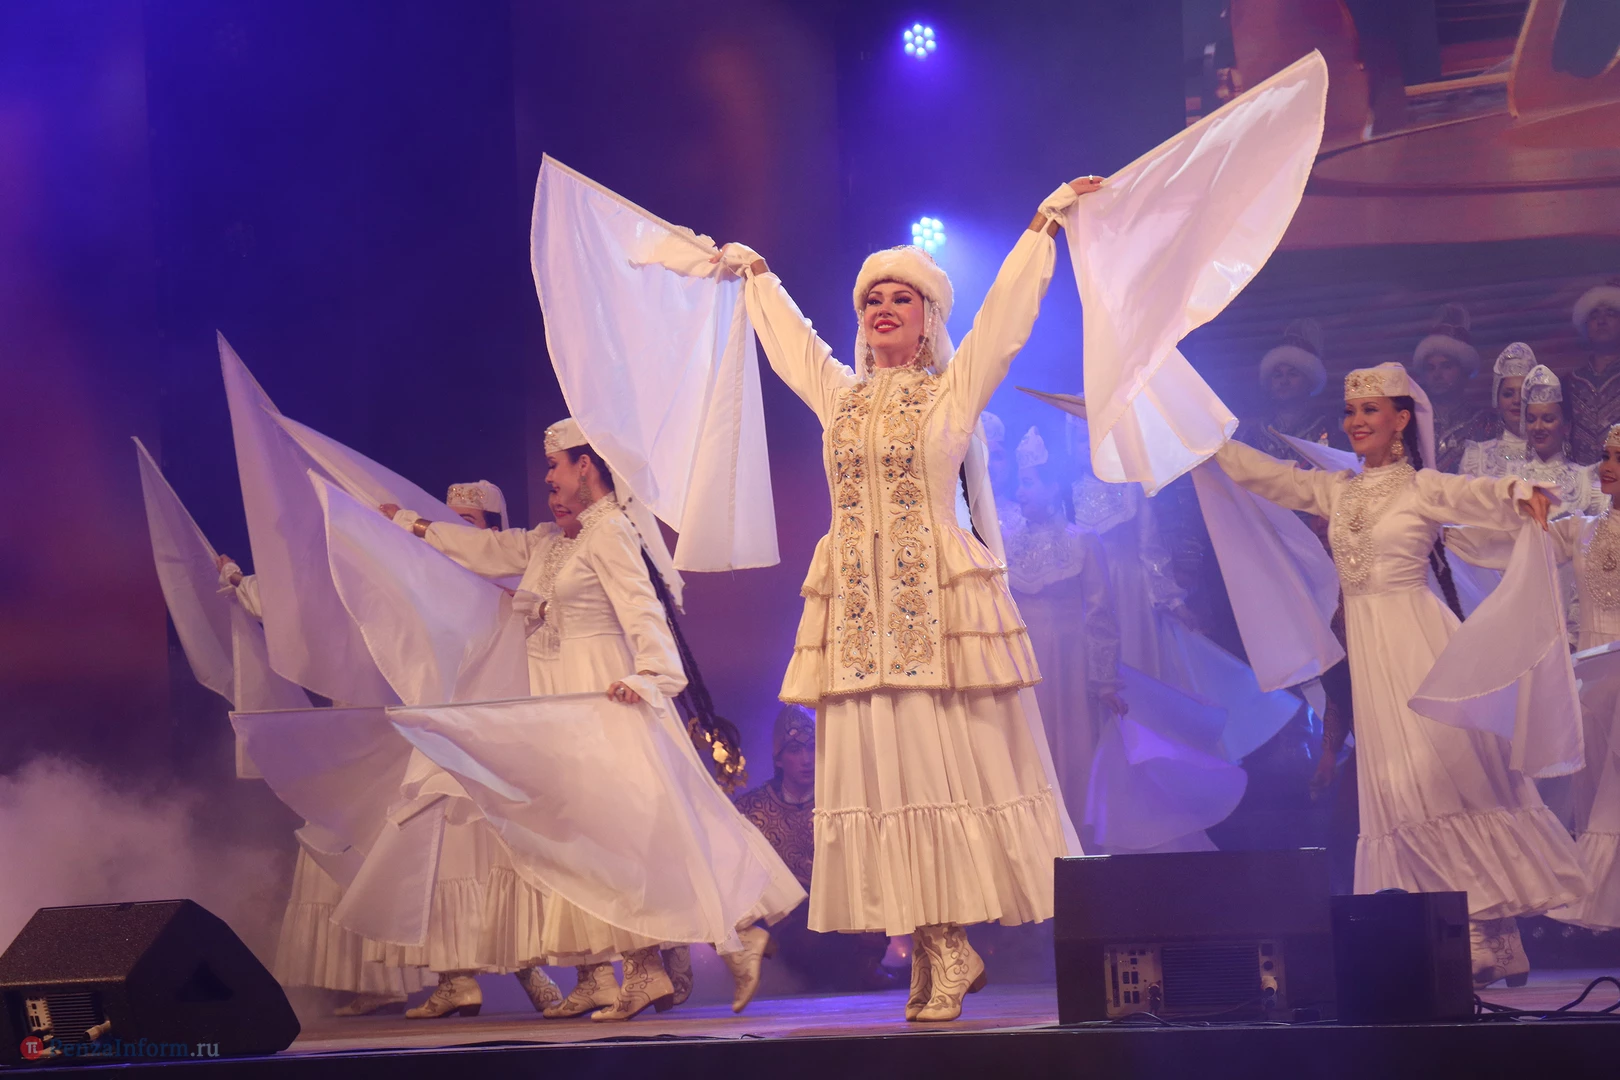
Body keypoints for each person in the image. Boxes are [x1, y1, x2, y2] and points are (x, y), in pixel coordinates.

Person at [715, 176, 1104, 1022]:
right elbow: (791, 346)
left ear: (929, 318)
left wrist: (1041, 230)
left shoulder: (950, 392)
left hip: (935, 610)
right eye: (872, 299)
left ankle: (951, 942)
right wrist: (757, 279)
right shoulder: (840, 396)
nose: (884, 309)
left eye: (902, 298)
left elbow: (1003, 324)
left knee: (933, 772)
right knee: (881, 781)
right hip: (859, 617)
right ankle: (933, 945)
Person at [383, 419, 803, 1021]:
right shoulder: (557, 542)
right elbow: (486, 551)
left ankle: (723, 937)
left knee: (638, 831)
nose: (548, 480)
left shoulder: (609, 533)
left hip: (606, 697)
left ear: (587, 466)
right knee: (610, 839)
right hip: (569, 703)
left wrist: (649, 676)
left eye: (555, 466)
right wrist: (411, 524)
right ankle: (673, 959)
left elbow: (644, 612)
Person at [1210, 361, 1585, 989]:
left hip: (1418, 645)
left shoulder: (1420, 487)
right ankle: (1493, 938)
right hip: (1371, 651)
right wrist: (1203, 443)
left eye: (1371, 411)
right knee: (1401, 788)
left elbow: (1478, 495)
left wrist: (1520, 492)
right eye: (1351, 411)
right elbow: (1269, 477)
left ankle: (1481, 932)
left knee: (1443, 782)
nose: (1356, 422)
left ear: (1401, 420)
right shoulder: (1337, 490)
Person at [1449, 423, 1620, 932]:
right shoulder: (1581, 529)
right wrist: (1442, 534)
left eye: (1619, 458)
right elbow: (1514, 545)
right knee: (1590, 792)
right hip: (1592, 677)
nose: (1607, 466)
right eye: (1606, 455)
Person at [999, 427, 1126, 843]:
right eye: (1020, 483)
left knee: (1073, 743)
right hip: (1025, 661)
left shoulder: (1083, 542)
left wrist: (1104, 679)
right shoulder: (1005, 544)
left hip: (1071, 661)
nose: (1020, 492)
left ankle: (1076, 838)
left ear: (1053, 486)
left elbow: (1100, 614)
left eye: (1029, 482)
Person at [732, 705, 895, 992]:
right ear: (778, 758)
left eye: (813, 748)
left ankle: (868, 965)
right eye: (796, 750)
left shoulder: (845, 804)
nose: (807, 760)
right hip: (787, 929)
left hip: (843, 916)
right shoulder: (751, 809)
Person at [1236, 318, 1345, 460]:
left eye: (1293, 374)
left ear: (1309, 381)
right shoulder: (1254, 434)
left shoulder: (1329, 428)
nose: (1284, 381)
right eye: (1278, 375)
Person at [1410, 304, 1494, 474]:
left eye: (1446, 366)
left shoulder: (1484, 422)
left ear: (1464, 371)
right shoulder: (1411, 420)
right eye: (1431, 368)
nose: (1437, 375)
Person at [1459, 343, 1538, 480]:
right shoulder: (1477, 457)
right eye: (1508, 394)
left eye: (1523, 394)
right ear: (1498, 400)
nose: (1516, 401)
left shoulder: (1550, 453)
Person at [1568, 279, 1620, 465]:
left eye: (1610, 314)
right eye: (1594, 315)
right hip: (1579, 476)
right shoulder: (1569, 381)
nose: (1601, 321)